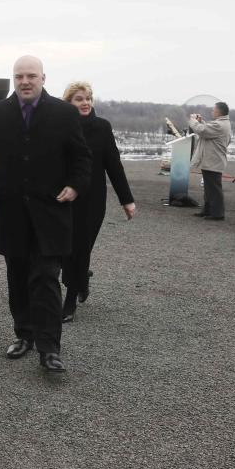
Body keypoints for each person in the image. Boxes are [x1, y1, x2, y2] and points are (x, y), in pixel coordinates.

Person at [0, 55, 91, 373]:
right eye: (19, 76)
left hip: (51, 212)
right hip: (10, 213)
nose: (25, 81)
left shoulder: (64, 113)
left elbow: (81, 158)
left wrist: (75, 186)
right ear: (14, 79)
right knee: (18, 278)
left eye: (31, 76)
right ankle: (24, 335)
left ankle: (50, 348)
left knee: (46, 278)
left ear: (43, 78)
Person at [59, 82, 136, 322]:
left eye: (88, 98)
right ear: (68, 103)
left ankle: (70, 300)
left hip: (92, 201)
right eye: (79, 99)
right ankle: (81, 279)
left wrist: (127, 200)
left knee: (81, 248)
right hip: (64, 197)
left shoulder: (102, 128)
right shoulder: (59, 127)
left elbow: (114, 165)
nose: (85, 103)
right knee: (64, 249)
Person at [188, 102, 231, 221]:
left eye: (213, 110)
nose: (212, 112)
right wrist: (201, 122)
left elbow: (202, 131)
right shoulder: (222, 124)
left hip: (213, 161)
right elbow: (207, 130)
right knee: (208, 188)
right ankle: (207, 210)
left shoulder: (220, 125)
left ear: (218, 112)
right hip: (212, 160)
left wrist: (193, 121)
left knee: (214, 189)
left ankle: (217, 213)